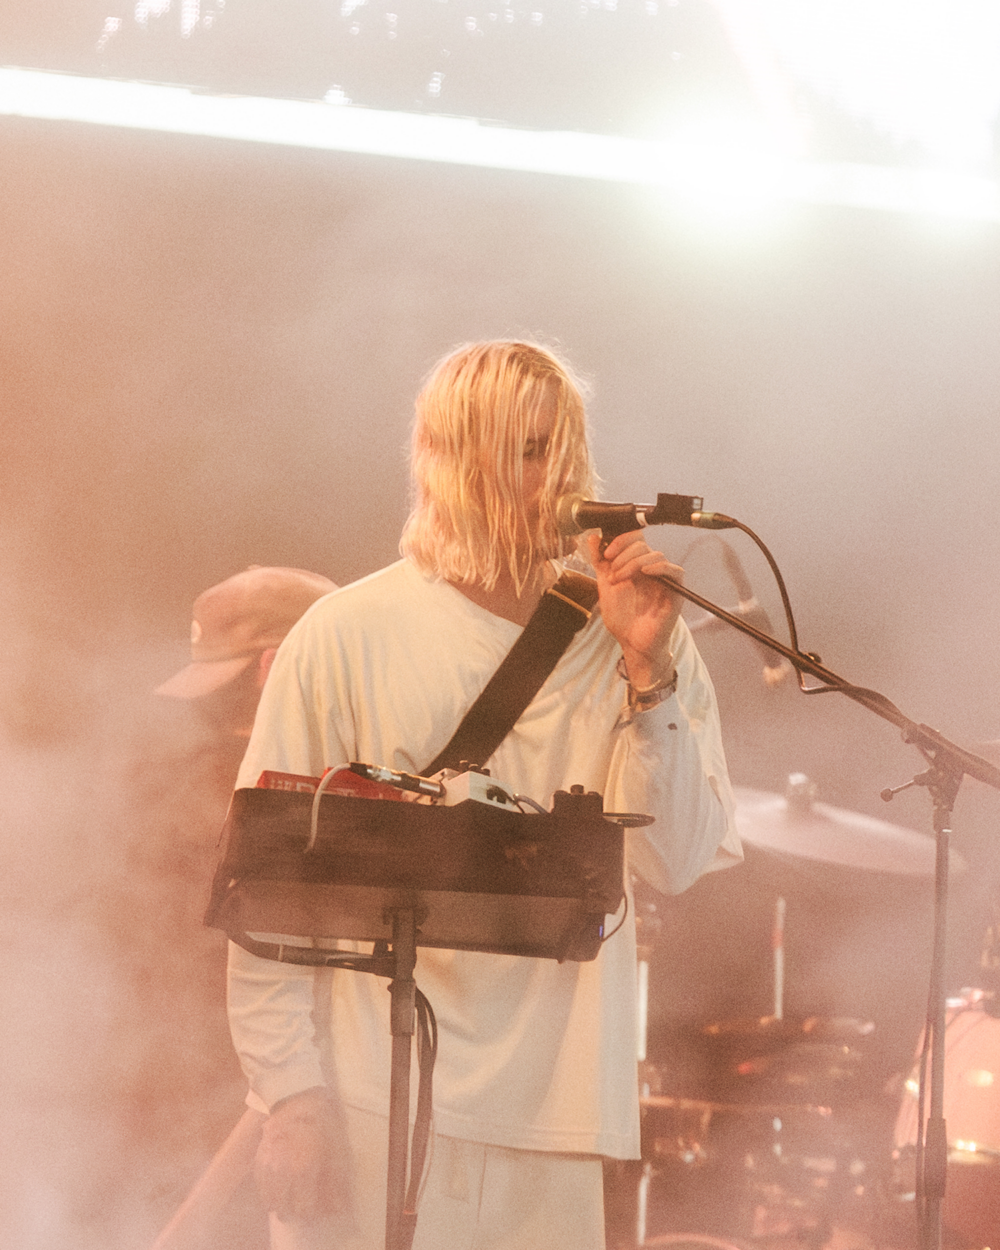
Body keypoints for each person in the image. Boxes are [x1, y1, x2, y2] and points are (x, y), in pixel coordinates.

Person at [226, 341, 742, 1250]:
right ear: (451, 461)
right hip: (367, 1100)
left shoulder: (639, 633)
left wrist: (649, 672)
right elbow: (267, 890)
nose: (562, 478)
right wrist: (291, 1097)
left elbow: (680, 858)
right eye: (531, 451)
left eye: (569, 452)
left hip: (561, 1116)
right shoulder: (346, 634)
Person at [150, 565, 337, 1250]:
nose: (227, 721)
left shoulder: (343, 783)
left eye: (233, 694)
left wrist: (290, 1096)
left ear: (278, 663)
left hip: (314, 1108)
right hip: (242, 1090)